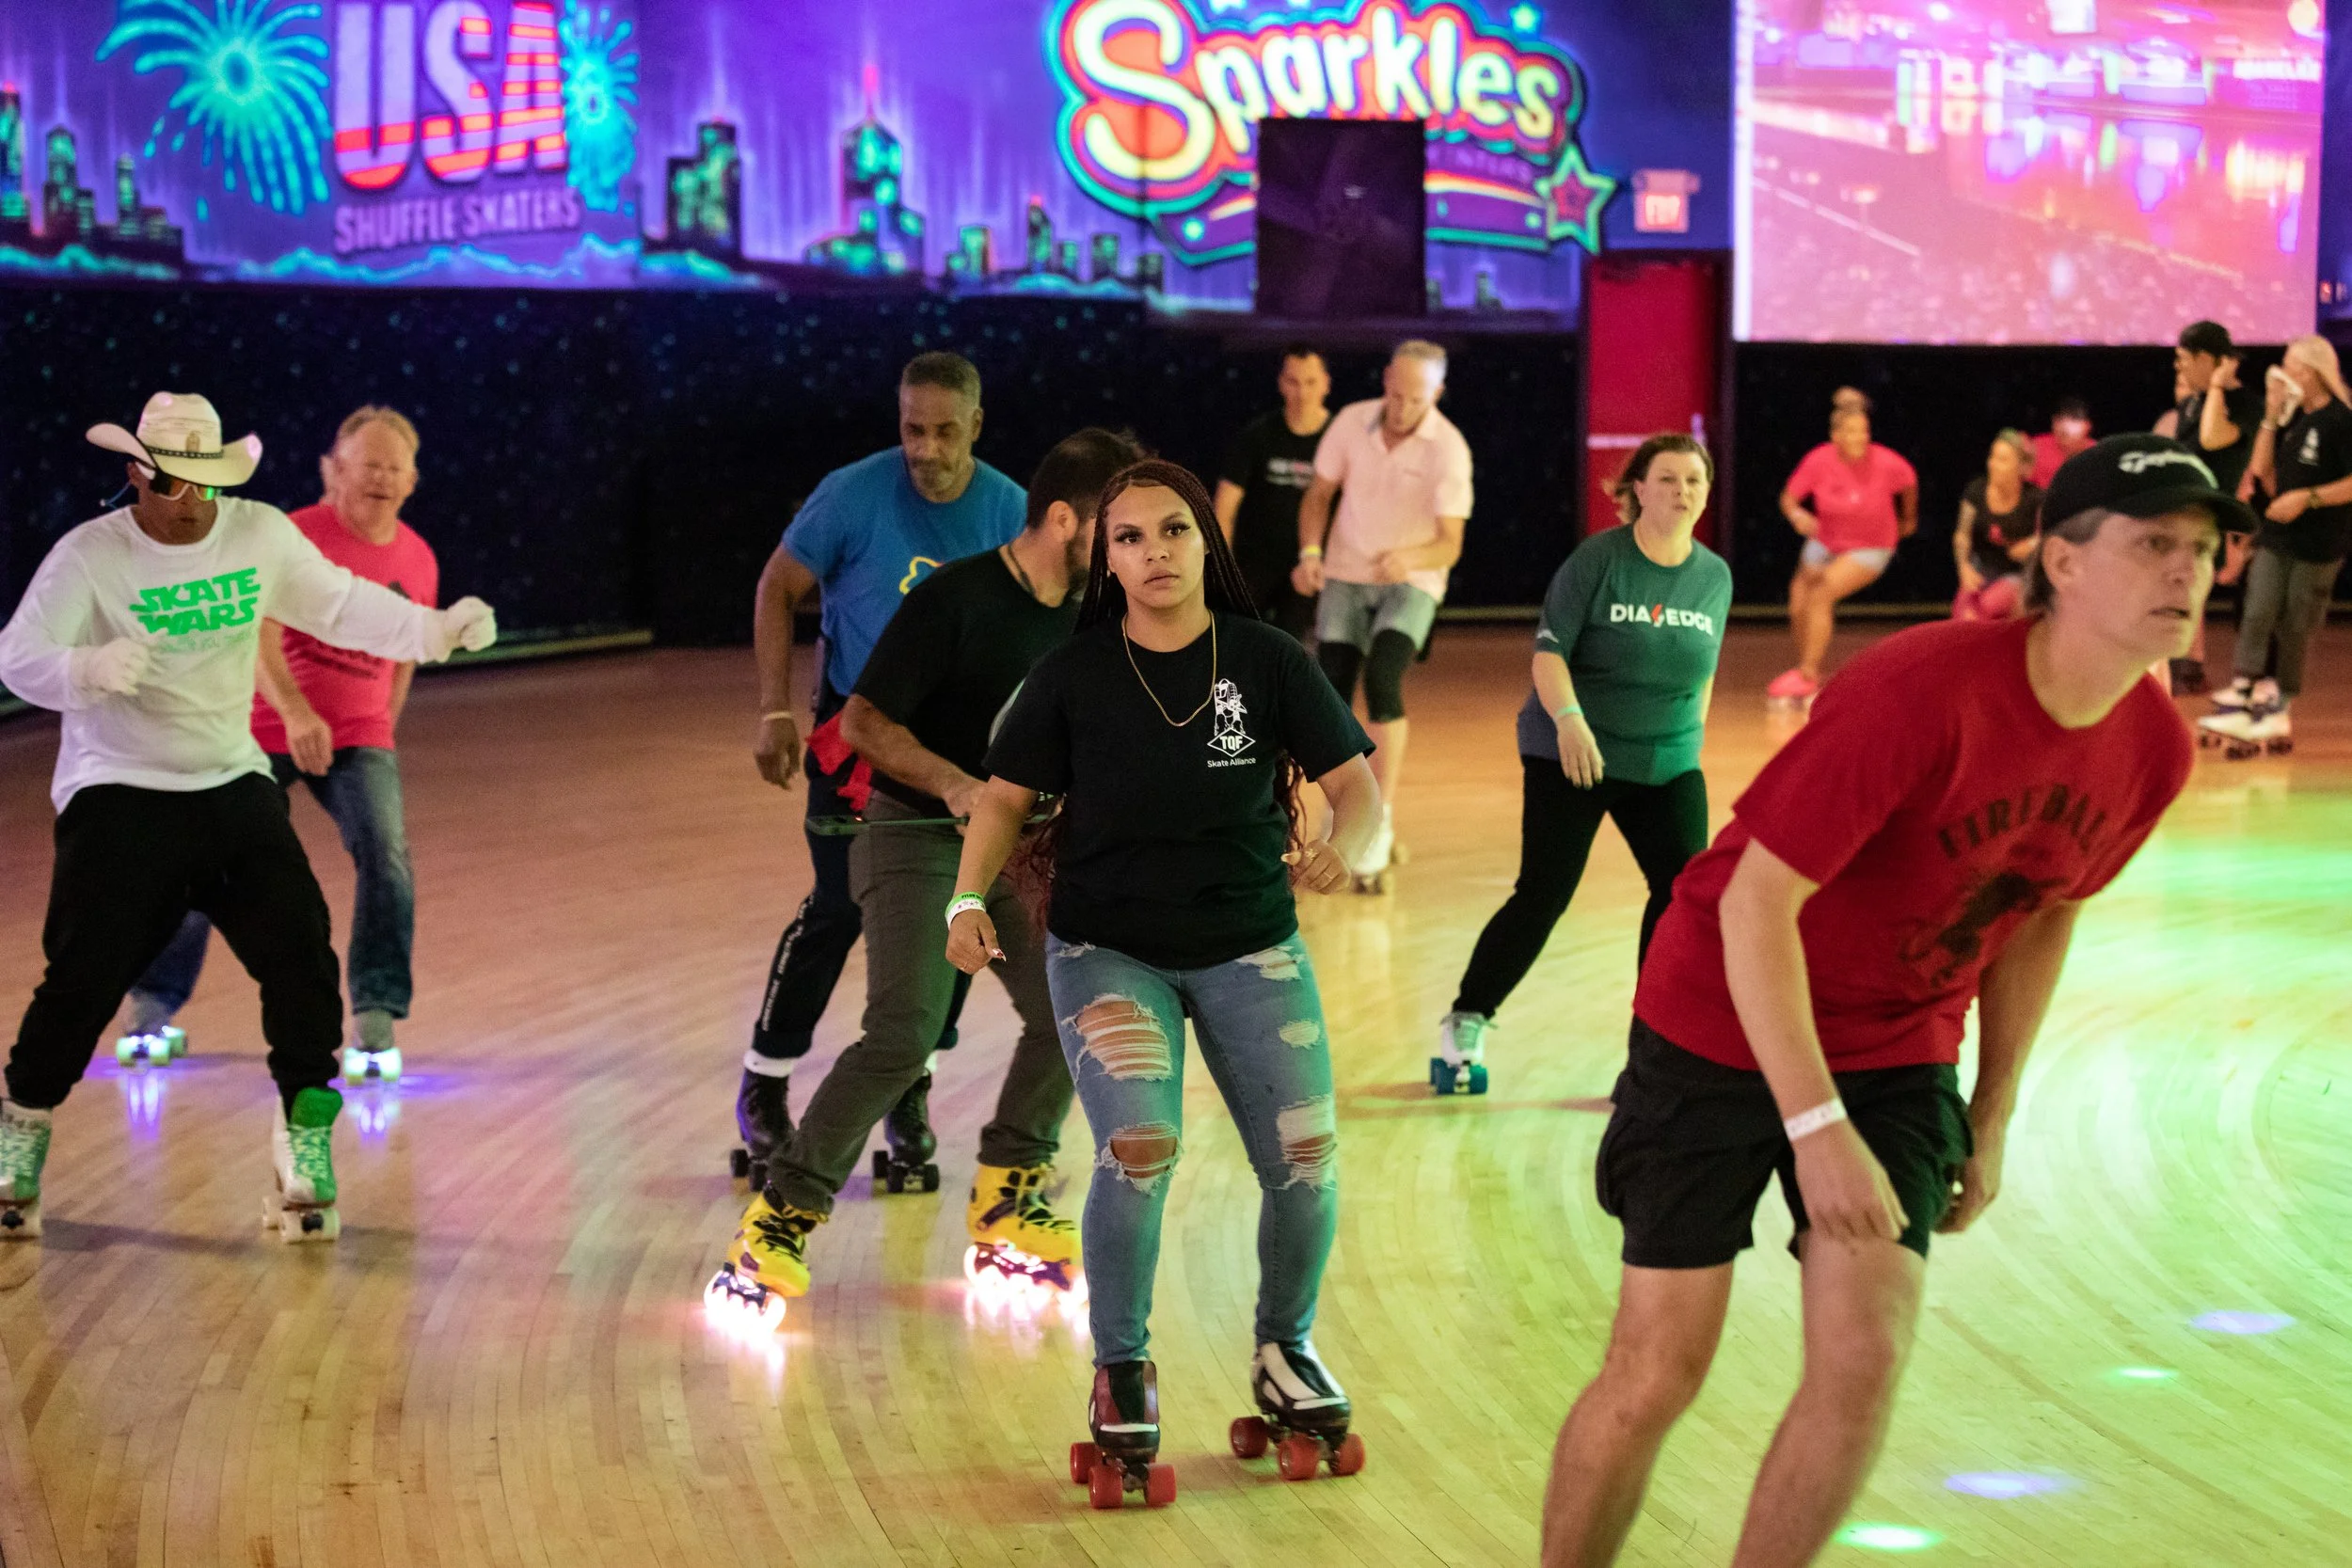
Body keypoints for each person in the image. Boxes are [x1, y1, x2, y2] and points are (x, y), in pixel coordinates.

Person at [1538, 434, 2239, 1568]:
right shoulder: (1925, 688)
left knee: (1865, 1356)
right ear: (2061, 561)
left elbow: (2044, 908)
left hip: (1899, 1041)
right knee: (1659, 1366)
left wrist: (1992, 1109)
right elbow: (1753, 902)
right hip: (1718, 1016)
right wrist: (1815, 1129)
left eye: (2201, 550)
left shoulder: (2152, 747)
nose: (2185, 572)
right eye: (2152, 543)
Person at [948, 460, 1381, 1499]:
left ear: (1204, 544)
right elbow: (1005, 799)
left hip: (1248, 940)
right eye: (1129, 537)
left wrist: (1349, 844)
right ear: (1107, 559)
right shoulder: (1073, 672)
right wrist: (965, 901)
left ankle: (1284, 1349)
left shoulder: (1267, 659)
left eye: (1172, 531)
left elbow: (1356, 787)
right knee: (1140, 1146)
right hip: (1109, 947)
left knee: (1307, 1155)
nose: (1153, 553)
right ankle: (1120, 1366)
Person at [0, 393, 498, 1281]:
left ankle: (304, 1137)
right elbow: (17, 652)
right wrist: (84, 667)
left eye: (205, 480)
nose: (188, 498)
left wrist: (434, 629)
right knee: (81, 976)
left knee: (301, 953)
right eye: (169, 479)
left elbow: (340, 605)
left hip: (230, 779)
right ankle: (23, 1130)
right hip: (119, 786)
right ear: (135, 472)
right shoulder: (92, 554)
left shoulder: (259, 534)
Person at [713, 428, 1141, 1317]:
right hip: (913, 834)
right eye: (1120, 529)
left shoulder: (1093, 619)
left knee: (1085, 1013)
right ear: (1065, 519)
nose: (1134, 550)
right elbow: (863, 722)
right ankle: (778, 1221)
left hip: (1018, 847)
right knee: (903, 1034)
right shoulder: (958, 599)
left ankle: (1008, 1199)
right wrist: (951, 781)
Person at [736, 353, 1025, 1185]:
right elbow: (776, 586)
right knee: (837, 906)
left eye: (944, 431)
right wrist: (776, 710)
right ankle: (765, 1077)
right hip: (855, 737)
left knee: (955, 916)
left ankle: (910, 1085)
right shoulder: (853, 493)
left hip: (958, 757)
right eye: (912, 429)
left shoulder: (1010, 510)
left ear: (976, 424)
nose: (926, 449)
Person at [112, 406, 442, 1083]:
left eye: (392, 467)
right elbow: (253, 626)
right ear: (335, 471)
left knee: (388, 852)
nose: (379, 478)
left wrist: (382, 726)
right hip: (265, 723)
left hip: (359, 733)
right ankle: (154, 1000)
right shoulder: (295, 534)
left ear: (411, 480)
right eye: (366, 464)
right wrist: (294, 711)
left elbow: (406, 648)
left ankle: (375, 1013)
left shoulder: (418, 557)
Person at [1436, 435, 1731, 1095]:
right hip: (1573, 750)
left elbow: (1701, 672)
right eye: (1669, 478)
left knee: (1681, 894)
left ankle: (1653, 1050)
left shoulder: (1714, 576)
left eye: (1695, 480)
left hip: (1666, 758)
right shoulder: (1598, 561)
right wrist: (1570, 722)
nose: (1684, 490)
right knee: (1545, 893)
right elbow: (1549, 652)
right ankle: (1467, 1017)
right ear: (1639, 490)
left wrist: (1691, 741)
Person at [1292, 340, 1472, 886]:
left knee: (1384, 679)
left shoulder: (1449, 449)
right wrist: (1311, 554)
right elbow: (1318, 496)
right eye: (1393, 392)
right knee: (1333, 688)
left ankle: (1380, 818)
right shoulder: (1351, 421)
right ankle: (1337, 812)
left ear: (1436, 393)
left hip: (1413, 580)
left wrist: (1408, 559)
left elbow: (1449, 544)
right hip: (1347, 572)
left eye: (1413, 399)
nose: (1399, 407)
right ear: (1386, 378)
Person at [2198, 336, 2352, 753]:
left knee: (2295, 623)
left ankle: (2281, 702)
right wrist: (2269, 416)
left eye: (2292, 367)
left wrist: (2310, 497)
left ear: (2313, 372)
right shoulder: (2296, 420)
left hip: (2319, 543)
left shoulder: (2341, 420)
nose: (2285, 375)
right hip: (2279, 535)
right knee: (2258, 608)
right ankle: (2246, 686)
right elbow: (2261, 468)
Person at [1770, 404, 1916, 704]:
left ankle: (1808, 674)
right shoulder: (1818, 460)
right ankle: (1807, 670)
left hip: (1872, 545)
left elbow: (1909, 481)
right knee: (1799, 598)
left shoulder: (1888, 462)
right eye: (1851, 431)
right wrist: (1798, 515)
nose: (1859, 438)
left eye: (1864, 431)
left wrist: (1908, 520)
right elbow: (1788, 498)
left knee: (1822, 591)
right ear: (1835, 436)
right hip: (1827, 539)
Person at [1214, 344, 1331, 641]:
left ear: (1326, 384)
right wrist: (1223, 570)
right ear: (1281, 384)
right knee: (1235, 639)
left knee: (1290, 646)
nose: (1301, 393)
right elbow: (1225, 508)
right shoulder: (1256, 436)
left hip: (1311, 565)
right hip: (1255, 563)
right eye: (1293, 382)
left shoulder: (1340, 439)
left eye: (1310, 382)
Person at [2169, 321, 2261, 692]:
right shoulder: (2193, 401)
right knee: (2181, 591)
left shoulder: (2245, 406)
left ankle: (2190, 670)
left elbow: (2212, 437)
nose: (2178, 368)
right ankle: (2186, 667)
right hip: (2183, 513)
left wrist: (2219, 384)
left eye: (2183, 360)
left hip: (2211, 518)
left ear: (2206, 359)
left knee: (2188, 590)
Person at [1950, 429, 2042, 622]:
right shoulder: (1975, 492)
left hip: (2016, 574)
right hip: (1982, 568)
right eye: (1992, 457)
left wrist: (2031, 545)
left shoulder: (2035, 499)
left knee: (1985, 609)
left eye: (2003, 460)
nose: (1993, 465)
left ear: (2021, 467)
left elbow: (2050, 535)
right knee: (1962, 616)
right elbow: (1962, 534)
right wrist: (1963, 567)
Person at [2027, 397, 2094, 488]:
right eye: (2060, 419)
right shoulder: (2035, 447)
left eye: (2074, 420)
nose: (2065, 427)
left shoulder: (2099, 452)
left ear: (2088, 425)